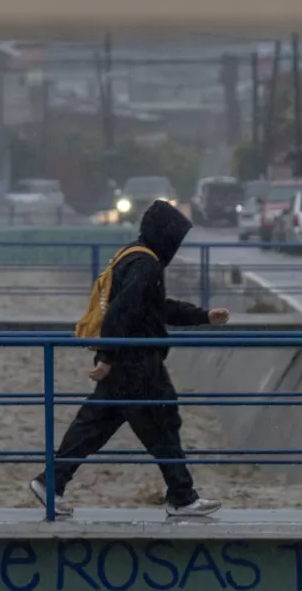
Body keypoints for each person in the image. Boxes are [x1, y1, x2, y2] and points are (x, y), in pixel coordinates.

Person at [30, 200, 231, 517]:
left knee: (93, 427)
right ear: (165, 235)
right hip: (137, 365)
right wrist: (107, 356)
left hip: (129, 363)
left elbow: (156, 308)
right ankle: (181, 497)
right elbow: (122, 311)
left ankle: (50, 483)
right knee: (161, 424)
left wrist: (204, 315)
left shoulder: (133, 256)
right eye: (176, 238)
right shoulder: (145, 265)